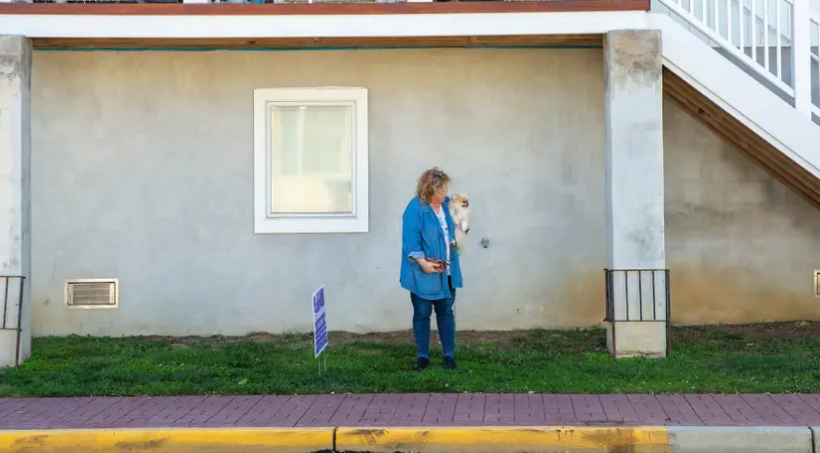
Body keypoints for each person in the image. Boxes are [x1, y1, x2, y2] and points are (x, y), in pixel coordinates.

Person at [400, 167, 464, 371]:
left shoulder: (447, 206)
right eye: (441, 190)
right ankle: (422, 356)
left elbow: (461, 226)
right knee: (422, 312)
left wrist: (456, 241)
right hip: (423, 271)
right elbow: (410, 241)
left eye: (446, 190)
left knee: (446, 311)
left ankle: (448, 356)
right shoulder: (415, 208)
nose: (446, 194)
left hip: (446, 270)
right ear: (429, 190)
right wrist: (423, 263)